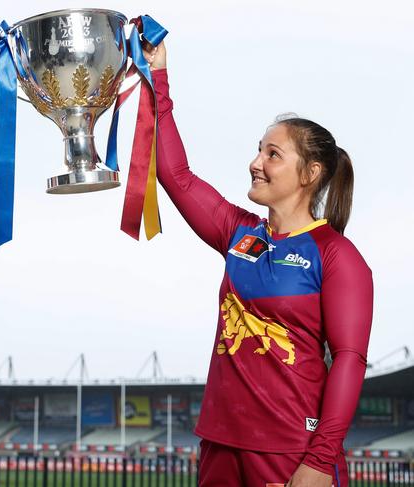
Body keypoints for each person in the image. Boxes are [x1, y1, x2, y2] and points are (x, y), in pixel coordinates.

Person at [144, 42, 373, 487]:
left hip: (292, 449)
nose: (255, 163)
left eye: (273, 154)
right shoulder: (238, 232)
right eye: (258, 150)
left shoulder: (337, 256)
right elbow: (175, 174)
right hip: (219, 444)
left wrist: (320, 461)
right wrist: (159, 76)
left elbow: (350, 360)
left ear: (310, 174)